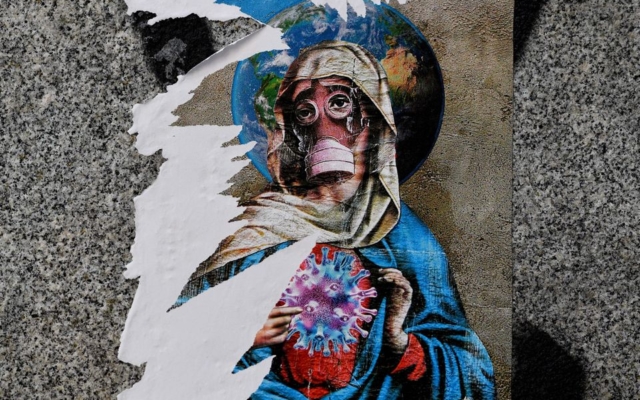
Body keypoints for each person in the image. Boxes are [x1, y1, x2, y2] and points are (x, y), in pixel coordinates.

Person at [177, 41, 495, 399]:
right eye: (305, 112)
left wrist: (402, 346)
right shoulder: (256, 228)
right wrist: (241, 335)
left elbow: (475, 379)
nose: (323, 128)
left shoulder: (406, 239)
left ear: (375, 121)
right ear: (291, 131)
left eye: (340, 104)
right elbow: (173, 341)